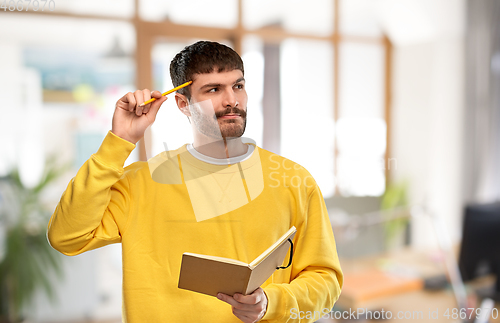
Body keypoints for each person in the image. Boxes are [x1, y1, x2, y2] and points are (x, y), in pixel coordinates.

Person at [48, 40, 343, 323]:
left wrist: (271, 303)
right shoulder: (141, 183)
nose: (231, 100)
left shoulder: (294, 181)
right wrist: (119, 142)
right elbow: (67, 237)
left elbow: (326, 281)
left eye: (238, 85)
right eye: (213, 89)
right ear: (182, 103)